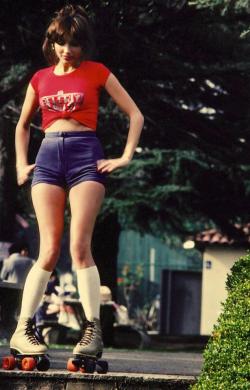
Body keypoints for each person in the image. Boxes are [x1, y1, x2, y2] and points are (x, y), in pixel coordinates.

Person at [10, 4, 144, 361]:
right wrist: (21, 165)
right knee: (49, 248)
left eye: (75, 43)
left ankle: (92, 332)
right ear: (52, 43)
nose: (68, 50)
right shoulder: (40, 78)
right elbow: (22, 125)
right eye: (62, 42)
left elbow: (135, 114)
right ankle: (23, 329)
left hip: (87, 157)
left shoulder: (97, 72)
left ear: (83, 46)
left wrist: (125, 156)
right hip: (49, 157)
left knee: (79, 248)